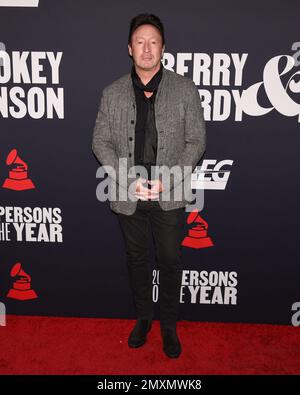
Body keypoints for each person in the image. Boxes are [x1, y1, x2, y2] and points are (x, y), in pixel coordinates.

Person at [92, 13, 206, 358]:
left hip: (169, 195)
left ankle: (169, 326)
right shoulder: (111, 93)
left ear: (163, 48)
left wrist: (168, 180)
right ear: (129, 49)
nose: (146, 48)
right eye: (139, 42)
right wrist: (128, 181)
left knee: (170, 261)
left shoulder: (185, 90)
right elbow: (100, 142)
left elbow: (196, 142)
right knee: (137, 259)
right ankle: (143, 319)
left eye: (153, 42)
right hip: (129, 196)